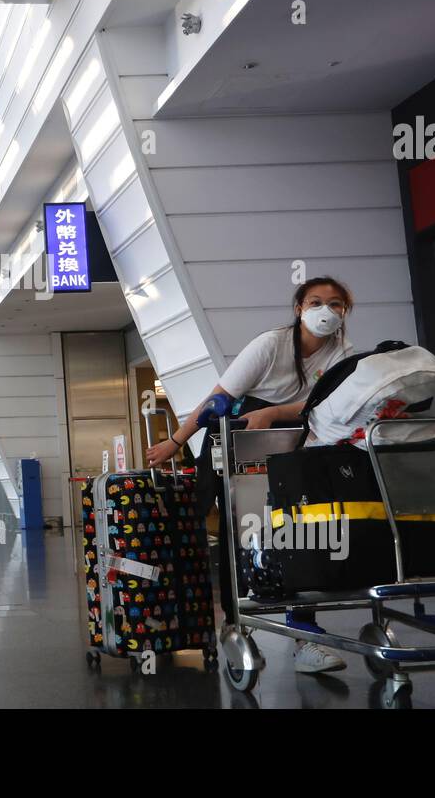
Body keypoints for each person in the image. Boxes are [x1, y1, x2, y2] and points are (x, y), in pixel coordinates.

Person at [146, 277, 356, 674]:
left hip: (291, 439)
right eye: (316, 302)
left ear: (346, 311)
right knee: (236, 529)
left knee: (297, 529)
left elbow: (328, 402)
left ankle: (303, 632)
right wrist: (175, 442)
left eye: (336, 304)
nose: (326, 311)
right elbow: (218, 399)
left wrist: (276, 413)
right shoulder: (270, 345)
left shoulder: (343, 352)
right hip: (236, 436)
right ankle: (235, 621)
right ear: (298, 308)